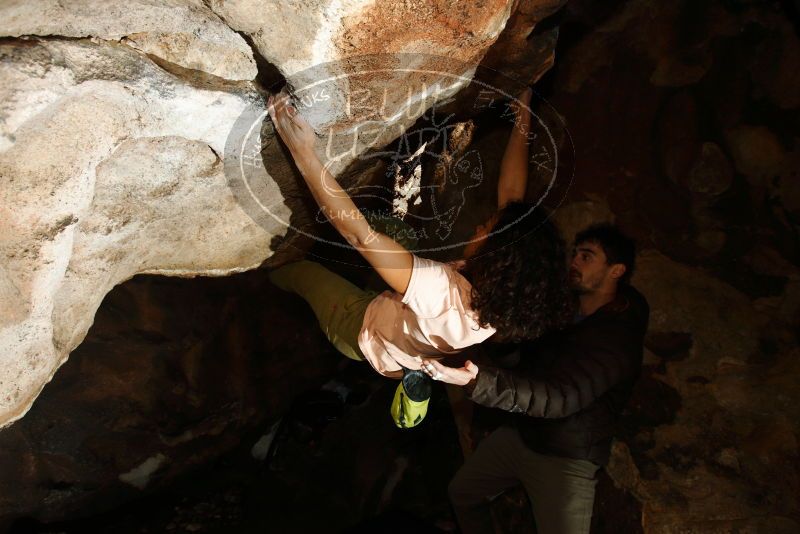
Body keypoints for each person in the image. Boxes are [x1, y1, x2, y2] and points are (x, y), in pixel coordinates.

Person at [266, 88, 572, 428]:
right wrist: (523, 115)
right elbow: (511, 197)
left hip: (358, 327)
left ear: (498, 258)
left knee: (302, 272)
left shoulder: (439, 291)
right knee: (398, 237)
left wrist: (303, 152)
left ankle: (267, 275)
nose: (480, 227)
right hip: (404, 334)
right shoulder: (502, 304)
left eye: (487, 230)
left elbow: (359, 236)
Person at [424, 224, 649, 534]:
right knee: (462, 493)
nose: (574, 262)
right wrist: (500, 338)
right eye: (575, 253)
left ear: (616, 271)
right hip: (525, 434)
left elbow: (561, 397)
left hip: (567, 457)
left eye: (587, 256)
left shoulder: (618, 337)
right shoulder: (563, 307)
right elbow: (522, 358)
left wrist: (480, 382)